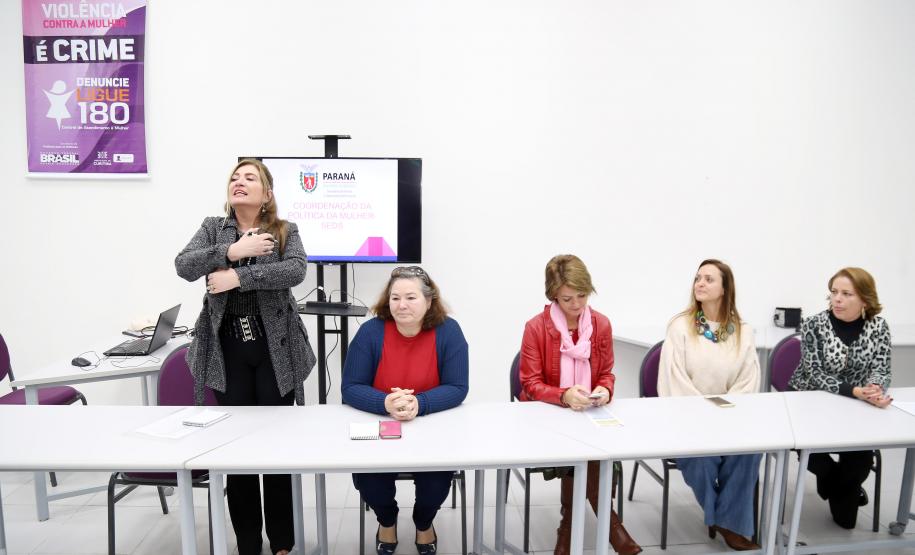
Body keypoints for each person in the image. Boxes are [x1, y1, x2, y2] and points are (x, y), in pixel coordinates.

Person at [175, 158, 317, 555]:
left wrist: (238, 276)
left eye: (249, 178)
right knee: (237, 454)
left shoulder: (285, 230)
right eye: (235, 178)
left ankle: (283, 544)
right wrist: (233, 250)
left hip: (277, 352)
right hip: (229, 351)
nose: (239, 182)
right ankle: (248, 545)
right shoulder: (211, 229)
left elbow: (296, 270)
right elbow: (184, 266)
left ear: (266, 193)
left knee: (275, 453)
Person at [519, 254, 642, 555]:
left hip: (589, 412)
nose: (577, 305)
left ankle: (568, 529)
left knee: (597, 451)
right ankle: (612, 529)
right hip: (548, 416)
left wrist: (604, 389)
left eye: (582, 296)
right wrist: (563, 395)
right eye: (567, 298)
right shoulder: (536, 327)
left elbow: (607, 373)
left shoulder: (601, 324)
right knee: (590, 456)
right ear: (553, 296)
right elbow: (529, 385)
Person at [342, 266, 469, 555]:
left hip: (429, 423)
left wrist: (419, 403)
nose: (401, 305)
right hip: (382, 422)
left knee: (436, 479)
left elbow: (458, 386)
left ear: (429, 300)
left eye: (410, 297)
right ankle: (386, 519)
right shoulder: (371, 332)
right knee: (370, 477)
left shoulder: (449, 331)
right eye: (395, 297)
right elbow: (350, 387)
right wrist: (385, 402)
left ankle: (424, 522)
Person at [657, 259, 761, 551]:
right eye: (697, 278)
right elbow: (672, 379)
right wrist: (702, 414)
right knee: (701, 459)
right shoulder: (680, 327)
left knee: (749, 453)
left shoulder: (744, 331)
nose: (699, 284)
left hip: (731, 418)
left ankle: (723, 520)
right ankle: (729, 523)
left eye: (709, 279)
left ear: (725, 288)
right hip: (687, 418)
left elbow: (748, 381)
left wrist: (724, 414)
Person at [788, 267, 892, 529]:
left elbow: (882, 367)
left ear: (865, 300)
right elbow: (814, 373)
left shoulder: (878, 327)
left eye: (847, 294)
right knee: (812, 456)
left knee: (861, 461)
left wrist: (875, 389)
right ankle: (842, 489)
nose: (837, 299)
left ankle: (833, 488)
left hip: (855, 408)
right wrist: (857, 391)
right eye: (834, 292)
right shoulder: (814, 324)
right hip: (808, 401)